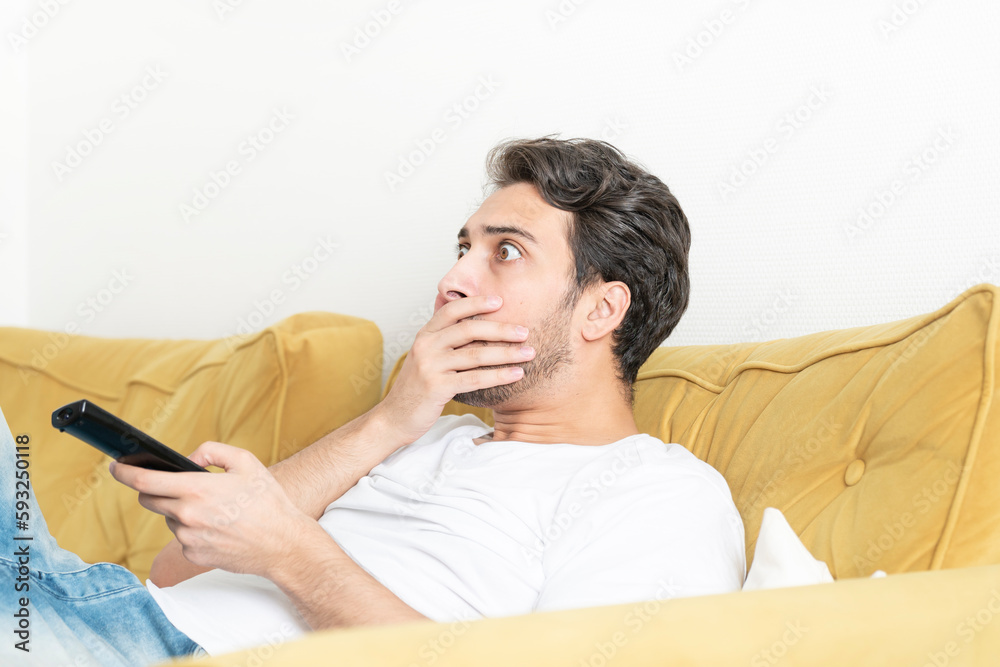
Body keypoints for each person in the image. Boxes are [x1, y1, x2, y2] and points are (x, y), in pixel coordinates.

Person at [0, 137, 746, 665]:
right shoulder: (419, 434)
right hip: (105, 609)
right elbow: (170, 574)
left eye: (505, 251)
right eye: (463, 248)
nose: (454, 281)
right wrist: (391, 419)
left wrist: (293, 554)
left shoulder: (660, 491)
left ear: (600, 310)